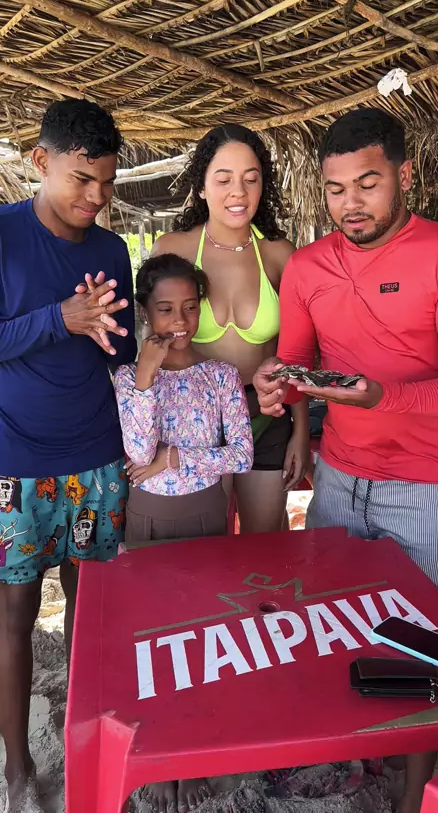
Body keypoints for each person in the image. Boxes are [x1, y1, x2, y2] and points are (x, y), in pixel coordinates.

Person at [253, 108, 438, 813]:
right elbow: (295, 365)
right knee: (336, 626)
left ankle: (413, 794)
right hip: (339, 479)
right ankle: (349, 756)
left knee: (427, 643)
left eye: (368, 184)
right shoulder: (308, 266)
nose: (350, 203)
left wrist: (385, 397)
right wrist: (275, 385)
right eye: (335, 189)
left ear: (404, 176)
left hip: (427, 486)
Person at [0, 99, 136, 812]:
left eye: (107, 182)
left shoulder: (112, 252)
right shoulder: (4, 235)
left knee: (91, 610)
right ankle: (18, 766)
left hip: (97, 457)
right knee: (16, 611)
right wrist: (61, 317)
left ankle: (86, 734)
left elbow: (122, 354)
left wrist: (110, 332)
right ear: (40, 161)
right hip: (16, 462)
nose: (96, 197)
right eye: (82, 179)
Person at [113, 253, 253, 813]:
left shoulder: (220, 376)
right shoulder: (129, 378)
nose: (179, 321)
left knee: (201, 636)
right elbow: (136, 451)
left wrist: (173, 458)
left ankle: (193, 752)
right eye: (166, 309)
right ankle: (160, 756)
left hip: (204, 517)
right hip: (146, 518)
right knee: (151, 642)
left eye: (190, 308)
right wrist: (146, 376)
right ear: (145, 312)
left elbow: (240, 455)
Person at [152, 124, 309, 533]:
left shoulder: (279, 254)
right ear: (202, 187)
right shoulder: (174, 249)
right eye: (223, 179)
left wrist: (300, 432)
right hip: (196, 420)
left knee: (265, 542)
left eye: (250, 179)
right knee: (206, 547)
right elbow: (154, 344)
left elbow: (294, 350)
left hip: (266, 413)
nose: (238, 192)